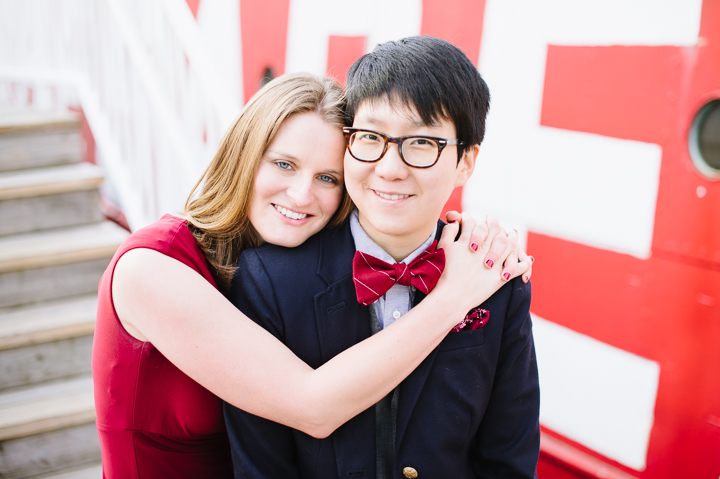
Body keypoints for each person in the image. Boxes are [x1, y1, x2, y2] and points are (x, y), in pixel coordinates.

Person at [93, 72, 533, 478]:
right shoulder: (151, 268)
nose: (302, 195)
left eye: (327, 177)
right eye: (283, 164)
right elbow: (313, 407)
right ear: (242, 156)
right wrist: (454, 295)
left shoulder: (281, 265)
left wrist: (482, 243)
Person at [224, 37, 540, 478]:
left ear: (466, 161)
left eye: (422, 143)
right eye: (371, 137)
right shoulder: (269, 279)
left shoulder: (497, 276)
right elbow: (261, 464)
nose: (390, 168)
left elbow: (508, 460)